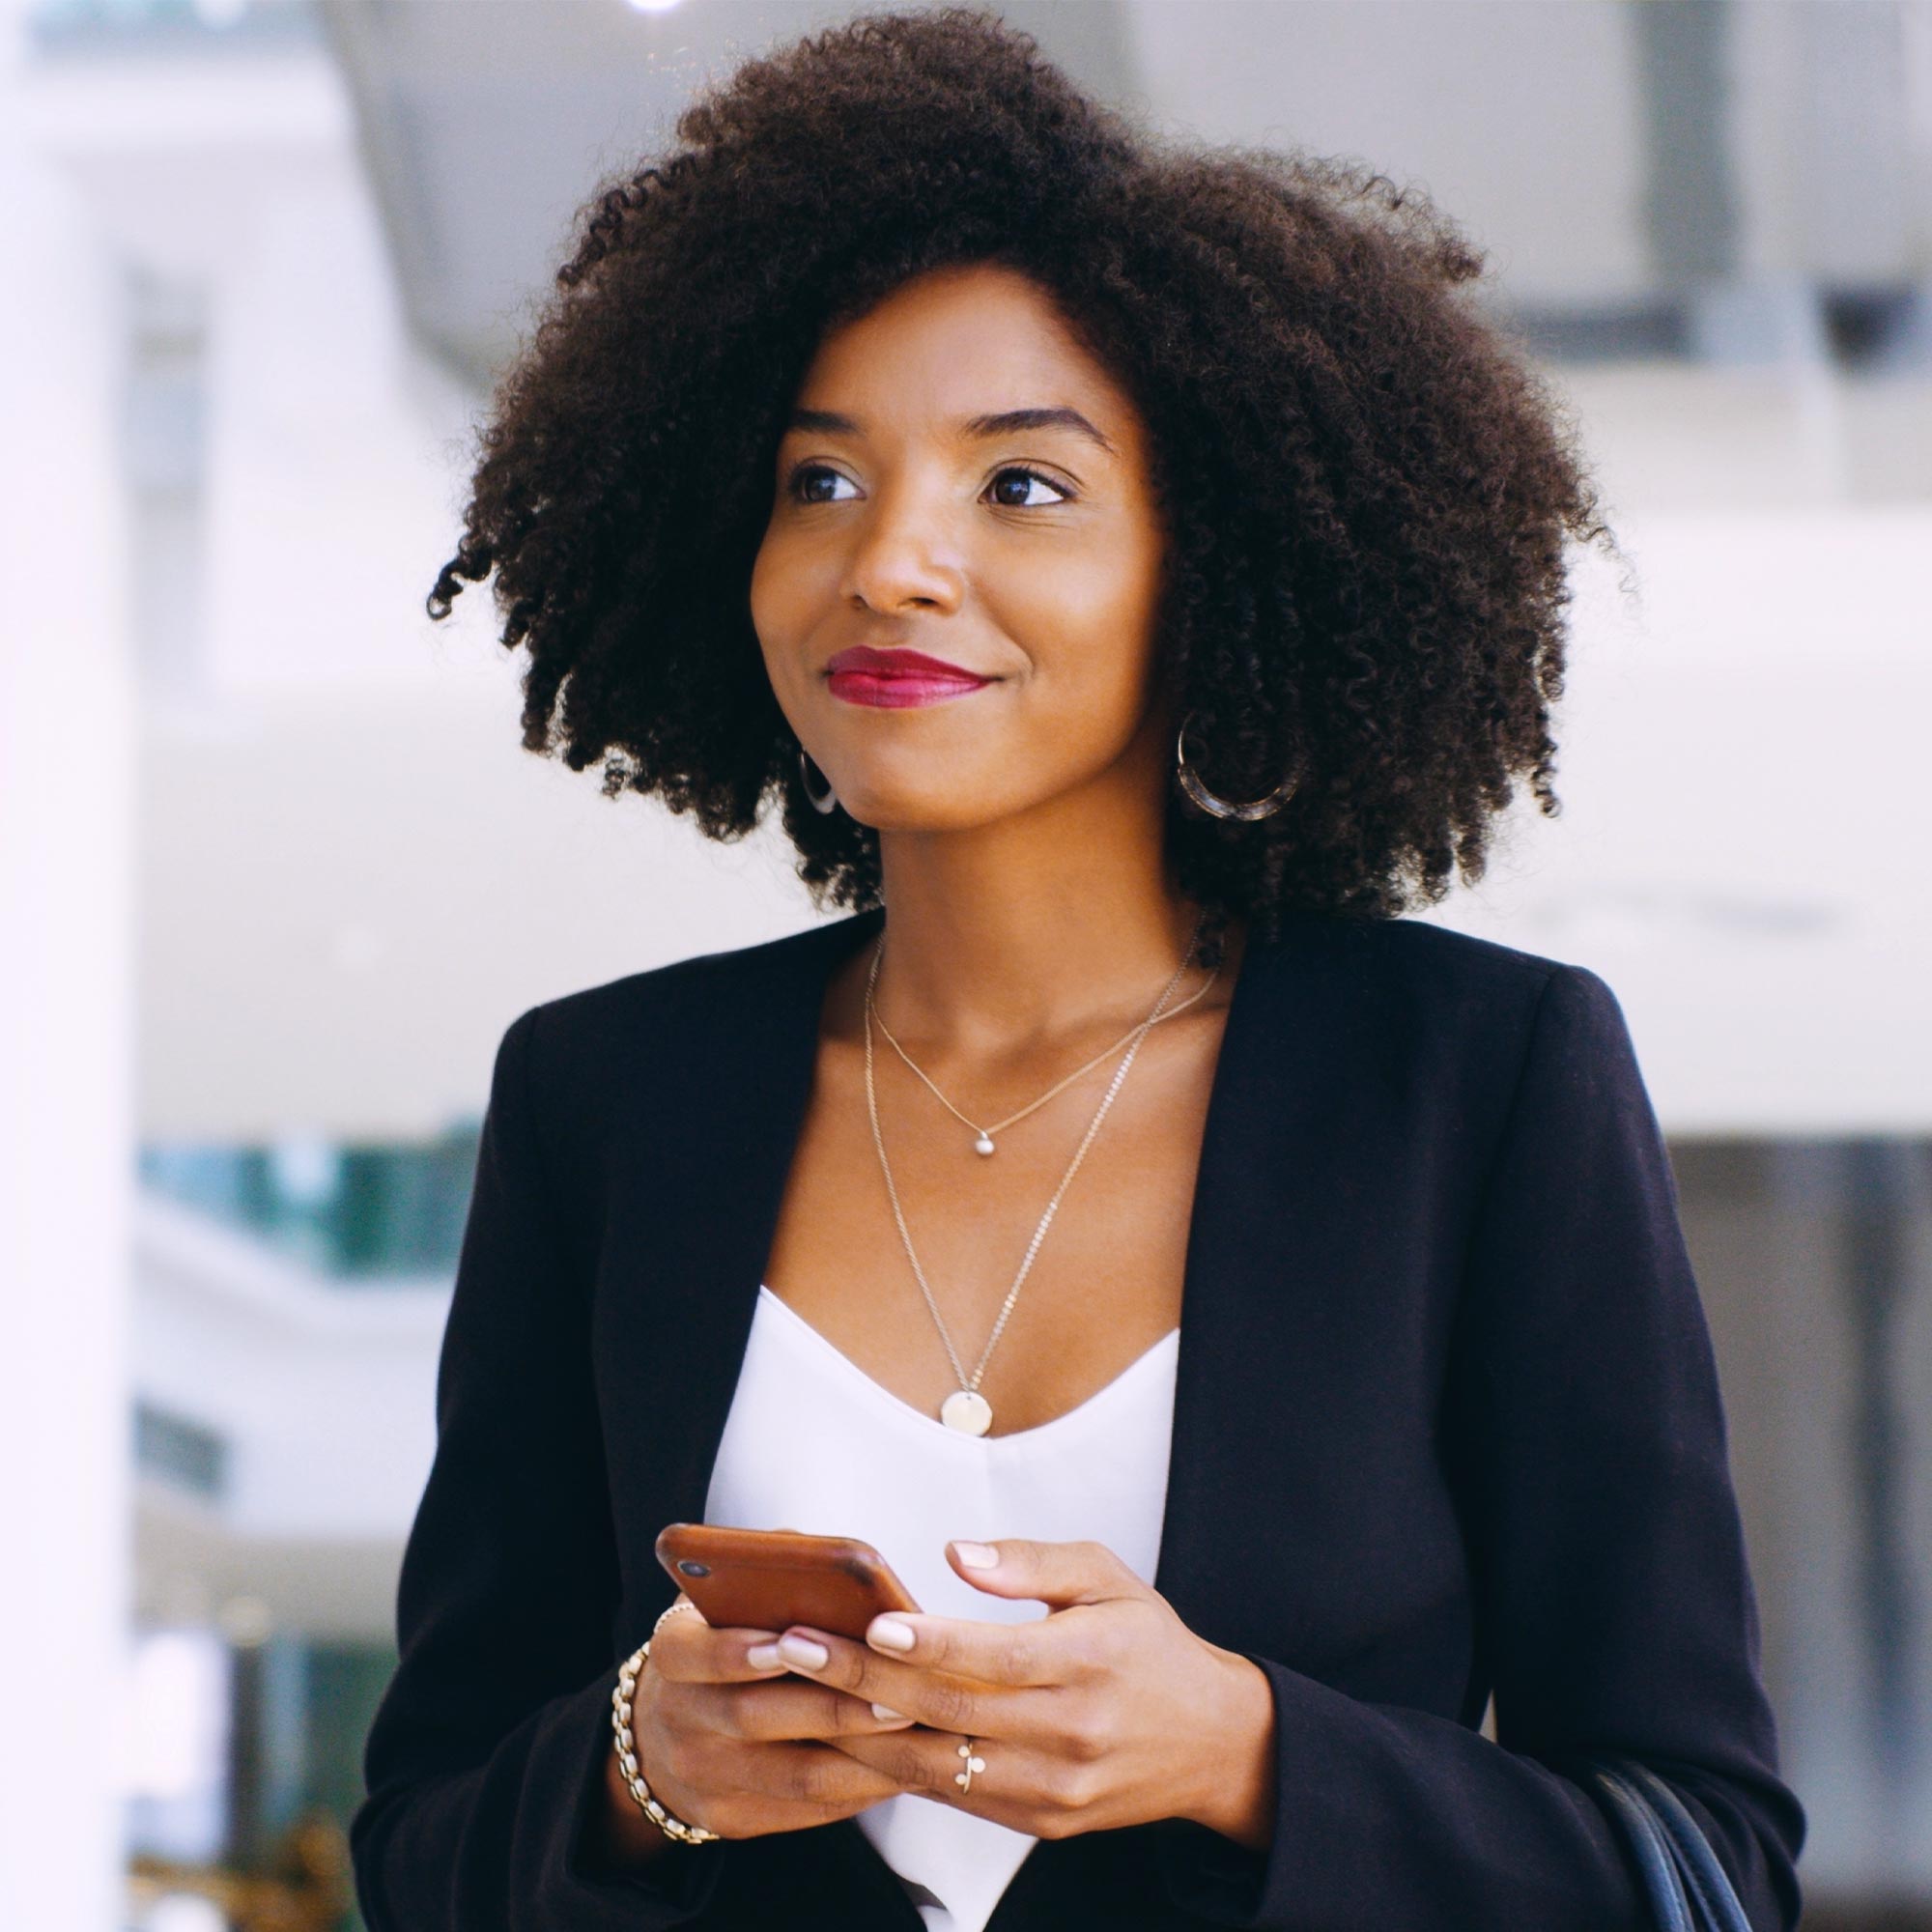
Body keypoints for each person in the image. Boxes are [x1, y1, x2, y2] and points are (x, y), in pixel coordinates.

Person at [348, 9, 1806, 1929]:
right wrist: (639, 1767)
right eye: (818, 481)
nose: (890, 564)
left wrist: (1244, 1751)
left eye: (1018, 486)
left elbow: (1699, 1862)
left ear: (1218, 562)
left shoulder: (1474, 1075)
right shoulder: (608, 1100)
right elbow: (420, 1847)